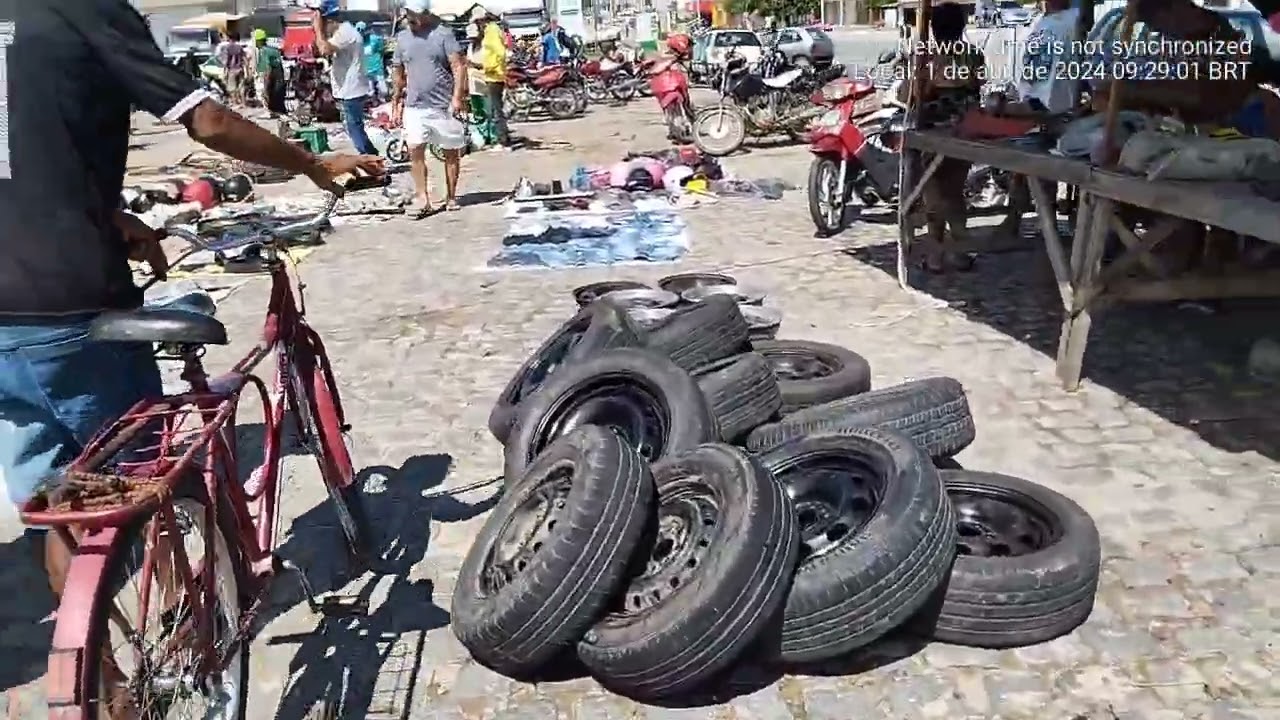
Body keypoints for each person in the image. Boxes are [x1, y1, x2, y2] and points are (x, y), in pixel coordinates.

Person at [0, 0, 383, 607]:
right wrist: (310, 162)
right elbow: (206, 121)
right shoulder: (86, 9)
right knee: (148, 479)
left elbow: (18, 153)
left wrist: (105, 214)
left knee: (61, 501)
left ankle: (100, 686)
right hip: (68, 305)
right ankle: (202, 616)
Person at [911, 1, 985, 273]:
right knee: (955, 192)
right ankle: (958, 252)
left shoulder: (927, 57)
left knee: (935, 195)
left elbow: (919, 94)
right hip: (964, 128)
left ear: (933, 27)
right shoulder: (974, 55)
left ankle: (935, 256)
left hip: (933, 131)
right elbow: (977, 88)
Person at [391, 0, 470, 216]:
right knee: (415, 150)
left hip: (443, 105)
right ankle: (422, 198)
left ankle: (451, 196)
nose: (411, 18)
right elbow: (397, 71)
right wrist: (396, 103)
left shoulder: (443, 34)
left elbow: (458, 66)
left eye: (414, 14)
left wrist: (457, 97)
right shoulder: (402, 38)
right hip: (414, 106)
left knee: (451, 152)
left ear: (426, 14)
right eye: (408, 14)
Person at [313, 2, 378, 155]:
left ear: (329, 20)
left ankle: (373, 161)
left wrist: (317, 29)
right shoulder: (343, 32)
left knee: (355, 131)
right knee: (355, 129)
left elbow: (324, 49)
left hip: (351, 90)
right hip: (349, 89)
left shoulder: (344, 33)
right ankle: (374, 159)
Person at [475, 9, 511, 148]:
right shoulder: (491, 31)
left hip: (494, 76)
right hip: (493, 74)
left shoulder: (492, 31)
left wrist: (491, 67)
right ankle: (503, 138)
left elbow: (500, 52)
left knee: (496, 110)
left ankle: (503, 141)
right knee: (496, 109)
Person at [255, 28, 289, 117]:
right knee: (277, 94)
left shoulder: (264, 51)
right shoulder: (274, 50)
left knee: (265, 94)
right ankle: (278, 111)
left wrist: (266, 80)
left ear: (258, 41)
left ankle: (269, 112)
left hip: (269, 74)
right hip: (279, 75)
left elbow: (267, 66)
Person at [359, 21, 390, 102]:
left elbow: (381, 50)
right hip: (366, 70)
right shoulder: (358, 42)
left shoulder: (375, 39)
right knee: (370, 93)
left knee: (384, 91)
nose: (361, 32)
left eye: (362, 30)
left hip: (377, 69)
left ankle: (382, 102)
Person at [216, 31, 246, 104]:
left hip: (232, 69)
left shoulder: (228, 47)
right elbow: (244, 58)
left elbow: (227, 60)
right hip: (240, 68)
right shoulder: (239, 47)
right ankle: (243, 102)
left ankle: (235, 102)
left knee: (232, 88)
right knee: (241, 87)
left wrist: (225, 69)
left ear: (229, 38)